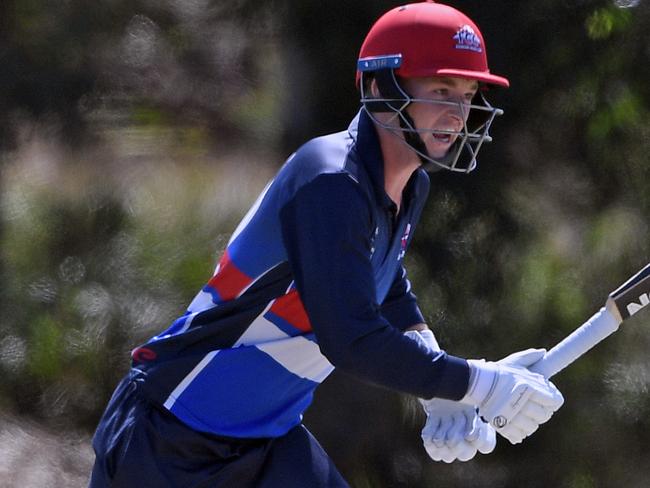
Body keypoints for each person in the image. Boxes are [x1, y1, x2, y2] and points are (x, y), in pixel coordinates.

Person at [89, 2, 564, 486]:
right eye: (441, 90)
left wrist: (438, 387)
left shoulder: (409, 183)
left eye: (467, 94)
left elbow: (385, 280)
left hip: (266, 439)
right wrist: (477, 383)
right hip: (171, 436)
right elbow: (351, 338)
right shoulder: (331, 180)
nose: (458, 113)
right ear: (380, 87)